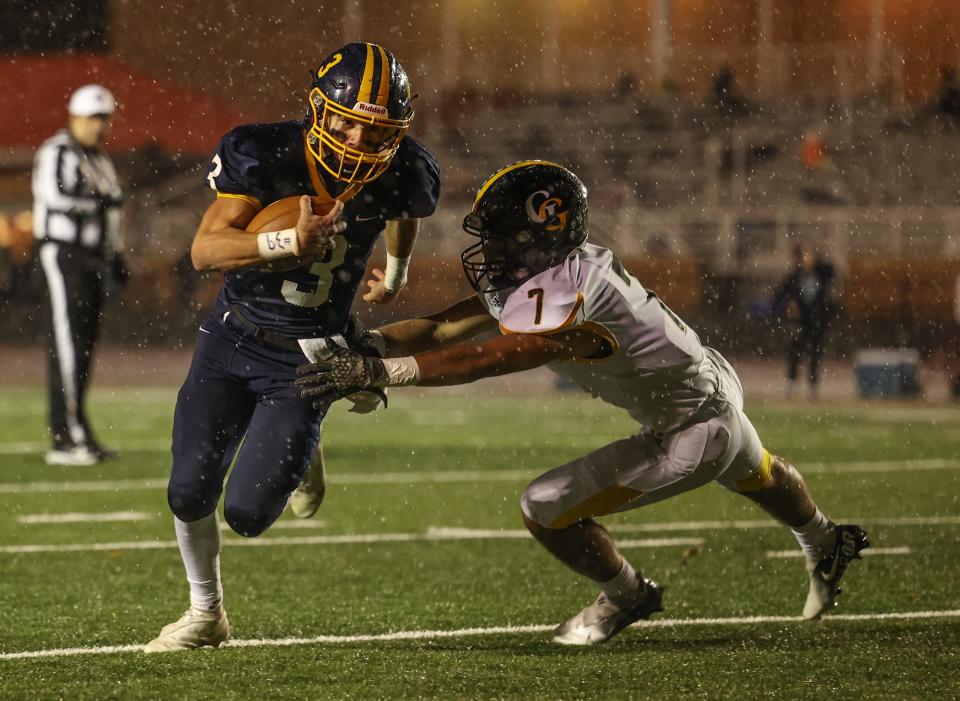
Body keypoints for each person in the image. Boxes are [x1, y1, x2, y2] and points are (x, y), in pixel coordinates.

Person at [296, 161, 869, 646]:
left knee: (542, 507)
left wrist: (381, 372)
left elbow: (491, 358)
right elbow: (446, 329)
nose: (489, 249)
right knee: (760, 473)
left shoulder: (570, 296)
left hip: (691, 427)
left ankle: (627, 595)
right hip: (706, 383)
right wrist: (368, 345)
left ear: (541, 237)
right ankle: (826, 540)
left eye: (502, 238)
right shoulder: (553, 268)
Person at [144, 42, 441, 652]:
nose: (359, 141)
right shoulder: (265, 152)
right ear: (319, 110)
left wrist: (399, 266)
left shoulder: (404, 167)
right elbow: (205, 251)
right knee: (188, 489)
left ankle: (307, 447)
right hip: (231, 336)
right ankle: (205, 612)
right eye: (349, 122)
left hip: (309, 357)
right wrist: (284, 245)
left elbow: (401, 208)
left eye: (377, 131)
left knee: (249, 516)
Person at [32, 84, 128, 466]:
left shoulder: (100, 159)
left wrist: (117, 254)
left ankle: (76, 431)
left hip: (91, 260)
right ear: (74, 117)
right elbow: (55, 199)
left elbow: (115, 210)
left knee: (82, 347)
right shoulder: (58, 151)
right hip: (63, 255)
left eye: (104, 118)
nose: (100, 126)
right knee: (68, 346)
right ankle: (66, 437)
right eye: (93, 118)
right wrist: (98, 202)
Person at [773, 244, 838, 400]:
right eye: (804, 256)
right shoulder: (795, 276)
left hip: (816, 320)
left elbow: (832, 273)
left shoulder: (820, 274)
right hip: (799, 321)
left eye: (809, 256)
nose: (807, 259)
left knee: (815, 353)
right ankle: (792, 383)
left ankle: (813, 385)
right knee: (795, 352)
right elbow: (781, 294)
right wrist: (789, 305)